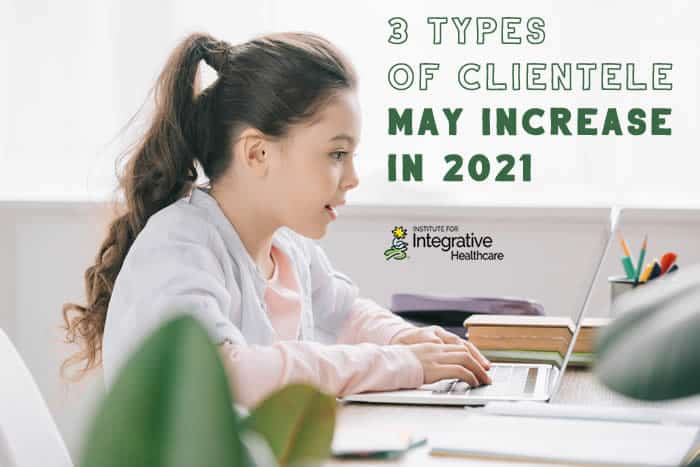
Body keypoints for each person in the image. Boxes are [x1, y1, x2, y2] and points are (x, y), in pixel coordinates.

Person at [61, 32, 491, 407]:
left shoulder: (288, 247)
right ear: (257, 153)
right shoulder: (181, 246)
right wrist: (401, 364)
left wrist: (405, 340)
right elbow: (224, 375)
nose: (354, 178)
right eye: (336, 154)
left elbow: (343, 314)